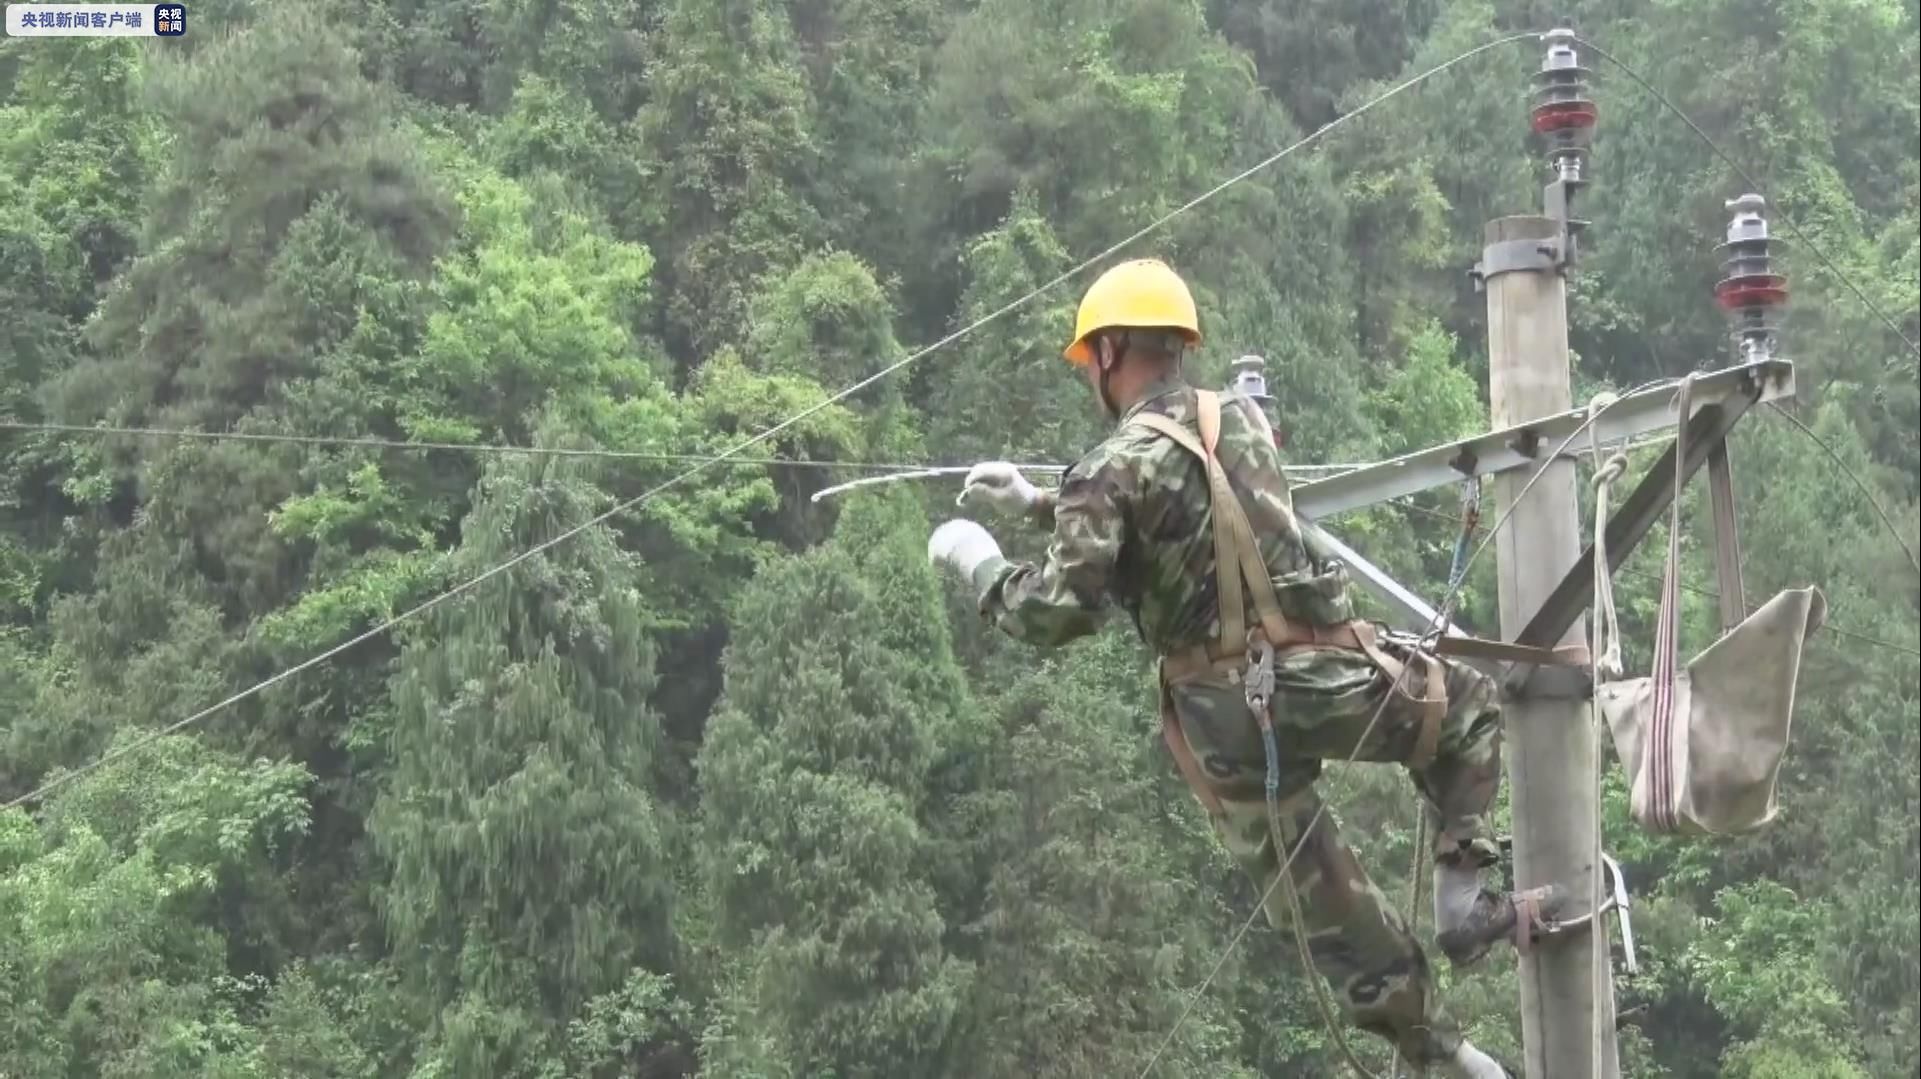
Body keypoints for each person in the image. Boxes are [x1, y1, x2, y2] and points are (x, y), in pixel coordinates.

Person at [926, 258, 1560, 1077]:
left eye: (1092, 359)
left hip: (1220, 719)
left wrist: (984, 565)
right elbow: (1189, 494)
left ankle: (1447, 1053)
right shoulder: (1243, 423)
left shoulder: (1107, 469)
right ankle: (1463, 885)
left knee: (1324, 895)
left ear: (1111, 349)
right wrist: (1048, 500)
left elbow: (1059, 607)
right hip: (1317, 672)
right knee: (1463, 703)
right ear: (1179, 347)